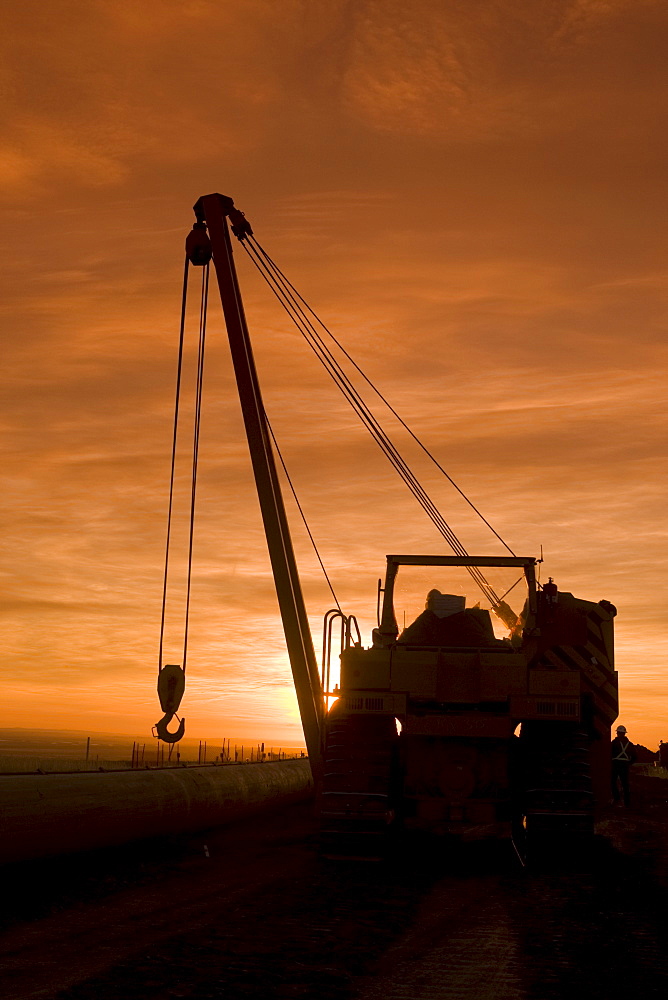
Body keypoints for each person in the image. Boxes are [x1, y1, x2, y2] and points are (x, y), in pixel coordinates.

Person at [611, 724, 636, 807]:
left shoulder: (614, 743)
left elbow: (608, 754)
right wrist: (629, 763)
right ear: (624, 733)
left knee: (612, 782)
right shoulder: (630, 744)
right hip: (625, 765)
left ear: (617, 733)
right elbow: (635, 757)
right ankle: (627, 802)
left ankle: (617, 799)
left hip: (616, 764)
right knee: (625, 783)